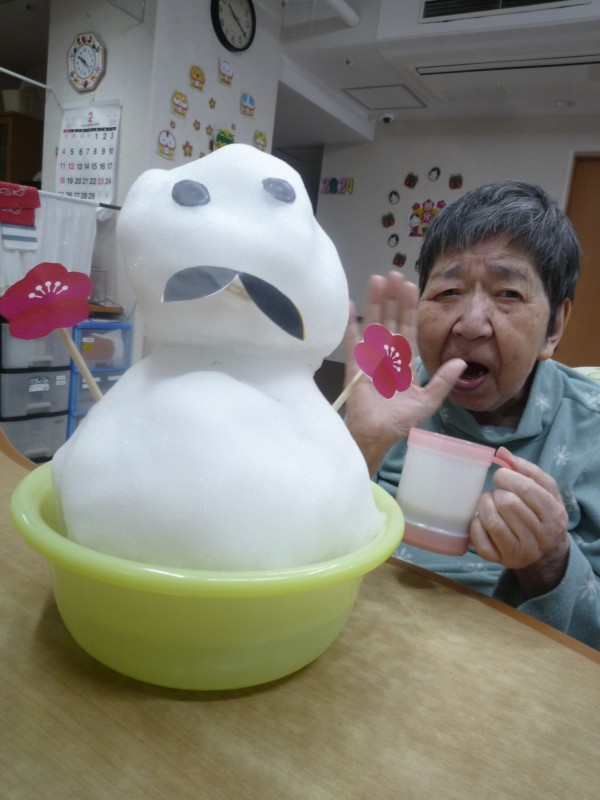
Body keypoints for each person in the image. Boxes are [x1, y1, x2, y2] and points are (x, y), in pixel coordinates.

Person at [343, 180, 600, 649]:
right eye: (448, 291)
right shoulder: (379, 397)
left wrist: (550, 562)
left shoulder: (592, 432)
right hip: (361, 642)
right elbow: (285, 546)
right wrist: (360, 448)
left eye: (508, 294)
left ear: (554, 327)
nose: (472, 324)